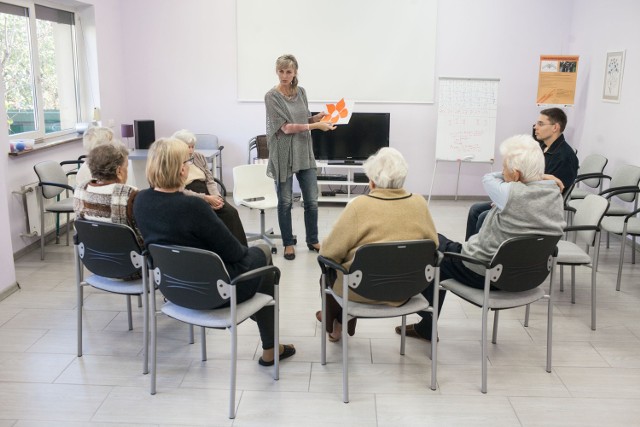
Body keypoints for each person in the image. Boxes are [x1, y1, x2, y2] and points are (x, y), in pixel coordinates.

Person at [133, 137, 295, 366]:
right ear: (180, 170)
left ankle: (270, 343)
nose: (189, 165)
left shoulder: (140, 201)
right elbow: (235, 253)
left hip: (173, 290)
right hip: (214, 292)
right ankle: (270, 347)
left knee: (259, 261)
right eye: (187, 161)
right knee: (264, 255)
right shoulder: (194, 207)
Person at [401, 134, 566, 341]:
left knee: (429, 244)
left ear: (515, 175)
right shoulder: (555, 193)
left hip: (487, 273)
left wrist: (526, 176)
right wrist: (539, 176)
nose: (501, 172)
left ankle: (424, 323)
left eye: (504, 167)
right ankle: (425, 324)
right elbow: (525, 181)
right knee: (442, 242)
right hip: (529, 275)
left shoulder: (509, 193)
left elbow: (488, 178)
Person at [318, 147, 439, 341]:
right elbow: (433, 245)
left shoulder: (359, 206)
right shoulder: (419, 203)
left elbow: (329, 252)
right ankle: (337, 320)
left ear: (372, 181)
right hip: (407, 289)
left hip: (361, 290)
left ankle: (335, 324)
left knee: (327, 275)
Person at [465, 108, 578, 240]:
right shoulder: (540, 148)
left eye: (541, 124)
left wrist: (508, 198)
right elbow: (527, 176)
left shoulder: (565, 158)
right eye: (536, 124)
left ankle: (483, 254)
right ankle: (470, 250)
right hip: (522, 195)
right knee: (475, 209)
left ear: (555, 127)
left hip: (534, 207)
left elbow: (549, 193)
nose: (535, 127)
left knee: (485, 215)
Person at [265, 54, 336, 260]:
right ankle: (288, 243)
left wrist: (316, 118)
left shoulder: (301, 92)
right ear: (276, 71)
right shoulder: (271, 96)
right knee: (285, 201)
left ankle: (312, 240)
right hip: (284, 152)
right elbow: (285, 128)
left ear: (295, 72)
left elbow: (301, 119)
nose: (284, 76)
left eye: (288, 71)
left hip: (304, 150)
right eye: (281, 71)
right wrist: (315, 126)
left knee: (311, 201)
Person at [172, 129, 248, 246]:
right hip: (192, 196)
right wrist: (206, 198)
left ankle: (241, 249)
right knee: (212, 219)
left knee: (231, 213)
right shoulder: (173, 163)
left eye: (193, 147)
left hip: (208, 192)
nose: (191, 150)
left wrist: (216, 197)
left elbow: (210, 180)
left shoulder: (199, 157)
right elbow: (181, 190)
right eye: (188, 147)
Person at [73, 141, 142, 247]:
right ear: (119, 171)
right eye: (126, 167)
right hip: (128, 257)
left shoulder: (81, 189)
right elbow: (140, 234)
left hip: (92, 255)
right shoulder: (130, 194)